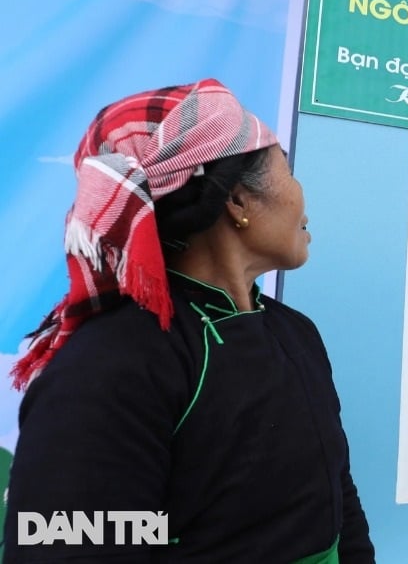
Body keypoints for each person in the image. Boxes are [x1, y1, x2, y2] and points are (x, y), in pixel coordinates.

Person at [3, 79, 374, 562]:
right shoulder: (112, 365)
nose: (303, 196)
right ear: (238, 200)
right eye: (289, 169)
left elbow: (337, 495)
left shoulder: (294, 332)